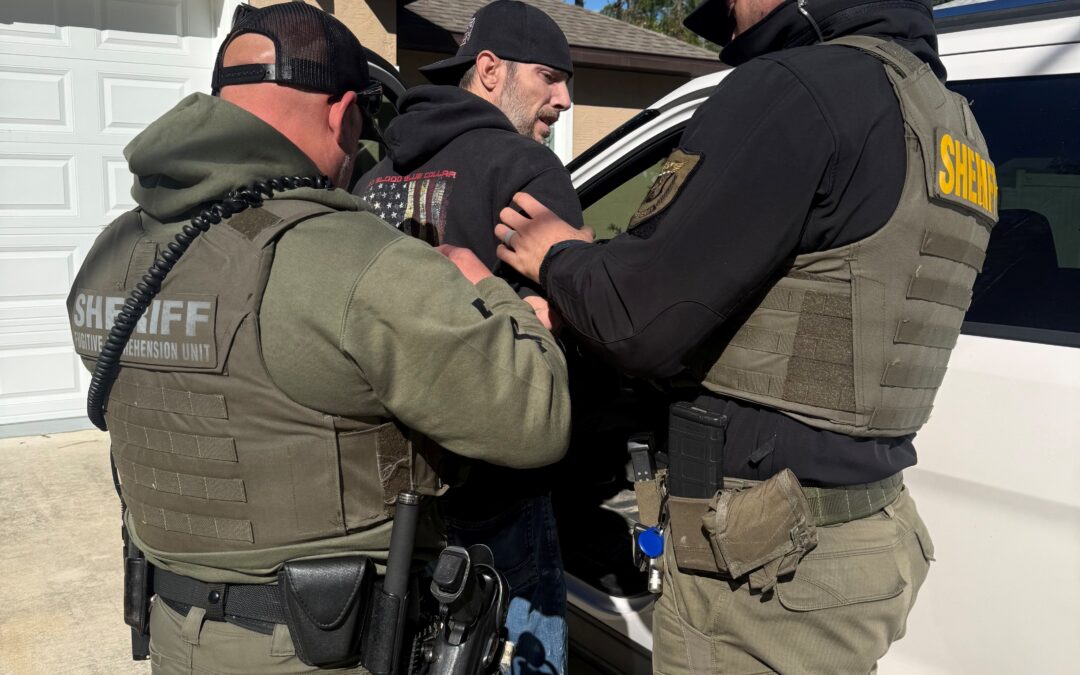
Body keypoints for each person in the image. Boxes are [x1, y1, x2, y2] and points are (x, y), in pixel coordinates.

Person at [485, 0, 998, 671]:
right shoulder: (952, 125)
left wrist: (557, 257)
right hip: (864, 538)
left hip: (764, 567)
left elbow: (635, 320)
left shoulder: (800, 89)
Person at [65, 3, 571, 672]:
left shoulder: (111, 257)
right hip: (322, 643)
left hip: (175, 632)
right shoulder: (351, 257)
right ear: (340, 113)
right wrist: (493, 292)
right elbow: (535, 421)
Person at [352, 3, 581, 672]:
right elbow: (552, 333)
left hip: (383, 497)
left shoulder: (371, 181)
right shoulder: (525, 171)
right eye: (551, 77)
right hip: (493, 505)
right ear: (489, 70)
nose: (565, 98)